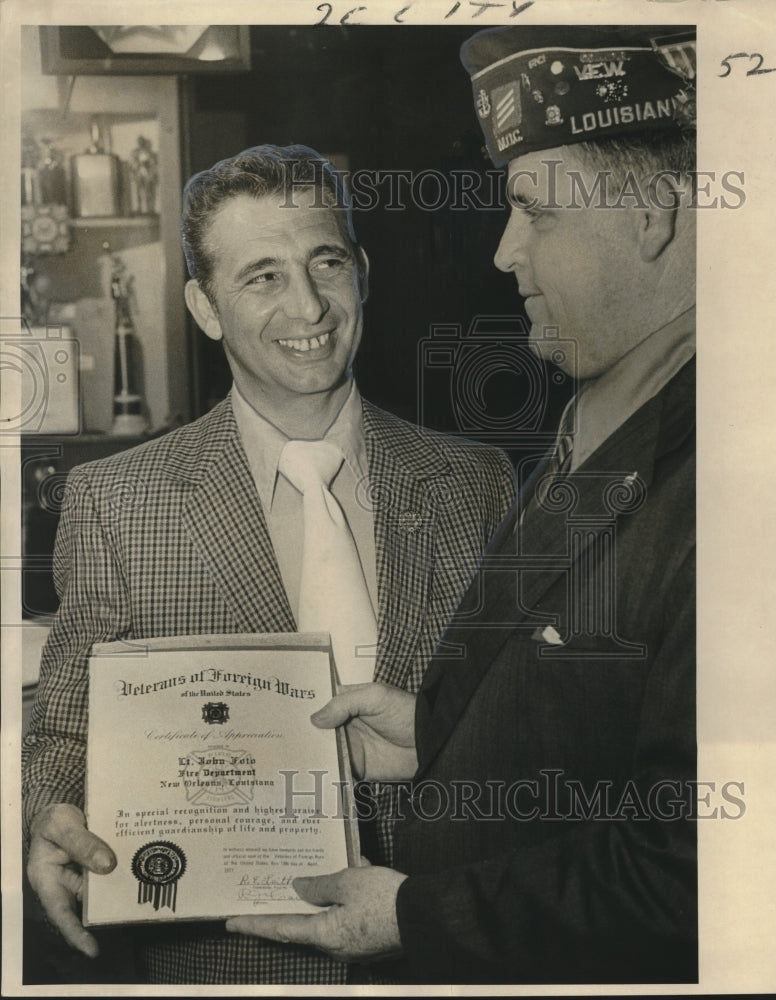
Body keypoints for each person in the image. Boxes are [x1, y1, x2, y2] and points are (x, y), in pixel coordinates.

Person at [225, 26, 699, 985]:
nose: (502, 250)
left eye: (533, 211)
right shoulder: (604, 411)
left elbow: (699, 868)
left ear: (649, 213)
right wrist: (437, 732)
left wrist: (413, 912)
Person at [21, 144, 515, 985]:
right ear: (205, 307)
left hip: (453, 945)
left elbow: (534, 721)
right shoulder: (117, 500)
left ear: (361, 273)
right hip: (231, 961)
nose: (308, 303)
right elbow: (67, 725)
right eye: (262, 277)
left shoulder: (477, 483)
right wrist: (52, 808)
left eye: (326, 262)